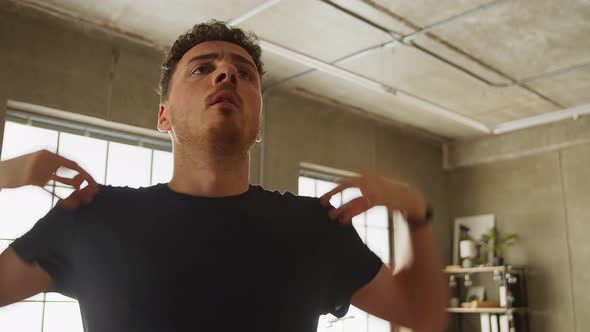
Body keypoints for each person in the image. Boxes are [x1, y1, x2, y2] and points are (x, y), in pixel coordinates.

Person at [0, 21, 447, 332]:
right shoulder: (90, 216)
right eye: (202, 68)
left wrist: (414, 210)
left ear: (259, 124)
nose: (227, 73)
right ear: (164, 116)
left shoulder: (313, 227)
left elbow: (421, 314)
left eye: (244, 73)